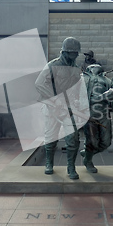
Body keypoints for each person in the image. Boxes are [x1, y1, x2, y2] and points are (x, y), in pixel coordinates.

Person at [35, 37, 87, 180]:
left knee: (73, 138)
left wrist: (79, 105)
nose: (77, 55)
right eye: (74, 53)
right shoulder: (52, 66)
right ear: (66, 52)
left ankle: (71, 167)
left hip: (69, 109)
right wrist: (55, 99)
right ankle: (49, 163)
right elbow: (39, 84)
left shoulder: (76, 69)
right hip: (52, 109)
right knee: (51, 137)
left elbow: (78, 89)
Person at [80, 64, 112, 173]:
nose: (94, 69)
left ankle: (87, 153)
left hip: (104, 114)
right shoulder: (82, 79)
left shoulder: (107, 81)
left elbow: (112, 96)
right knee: (92, 141)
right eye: (92, 68)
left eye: (97, 68)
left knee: (106, 142)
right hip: (89, 114)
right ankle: (88, 161)